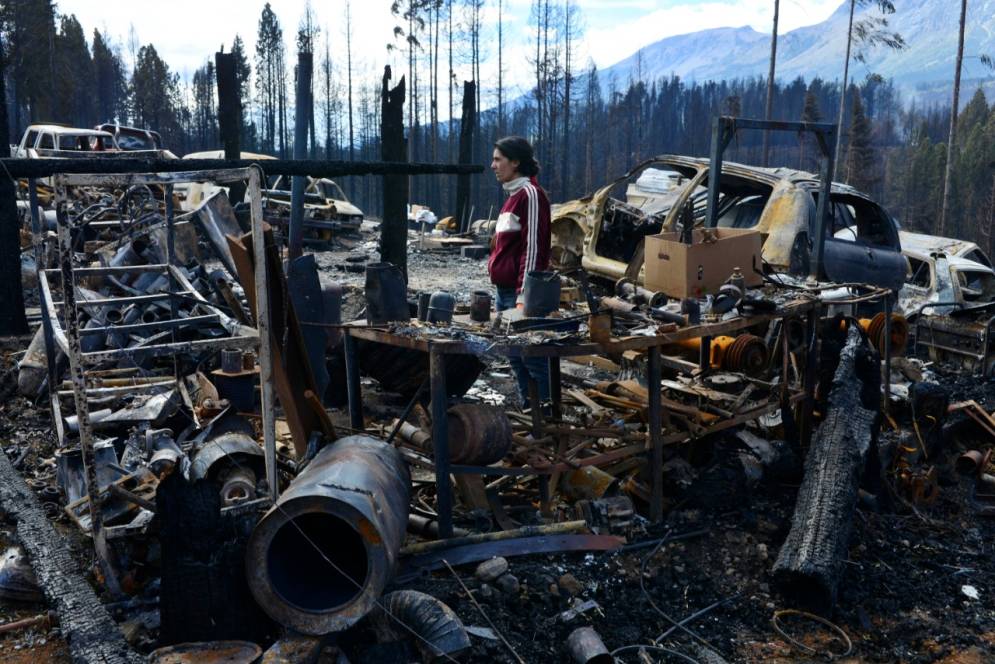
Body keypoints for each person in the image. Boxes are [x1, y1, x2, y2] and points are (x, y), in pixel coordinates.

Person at [487, 136, 552, 407]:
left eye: (498, 159)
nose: (493, 165)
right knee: (515, 355)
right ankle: (530, 410)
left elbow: (534, 248)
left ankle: (546, 415)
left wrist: (524, 296)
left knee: (532, 356)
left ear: (516, 162)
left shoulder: (530, 195)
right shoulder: (512, 197)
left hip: (521, 294)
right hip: (505, 293)